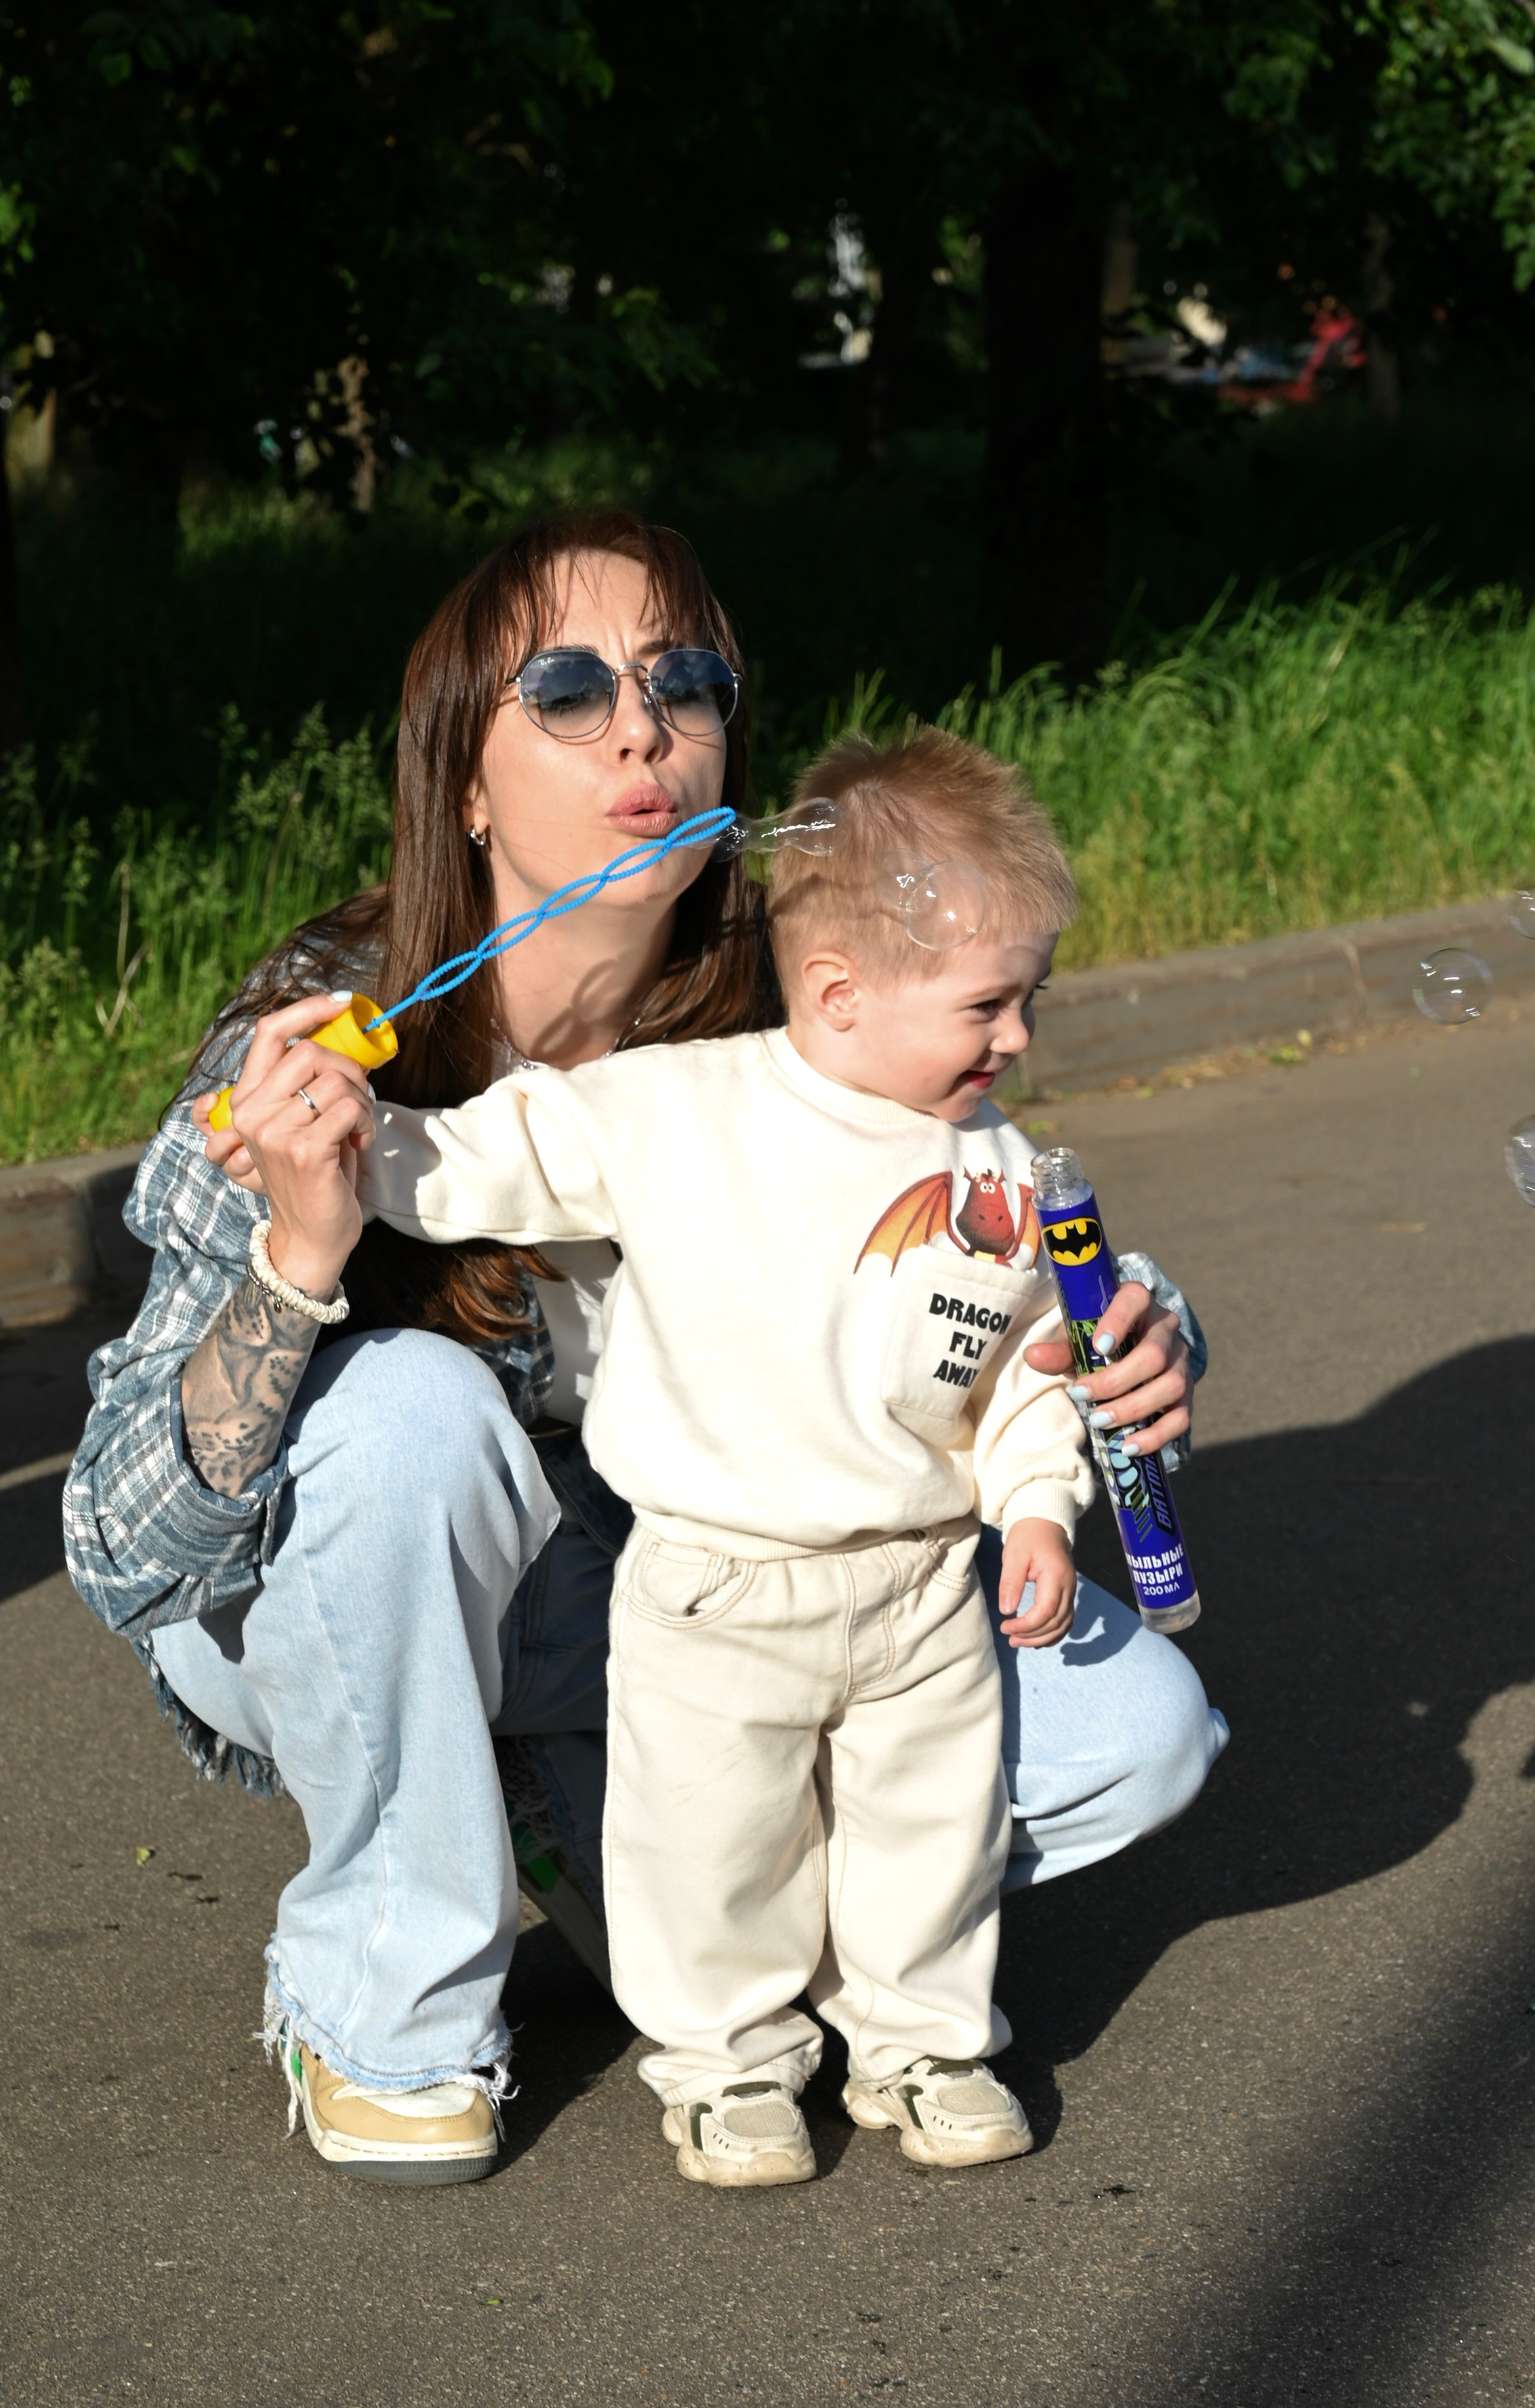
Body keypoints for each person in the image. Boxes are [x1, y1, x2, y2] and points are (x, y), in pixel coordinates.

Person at [62, 510, 1225, 2188]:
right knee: (408, 1416)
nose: (642, 728)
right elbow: (122, 1552)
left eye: (686, 683)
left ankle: (617, 1841)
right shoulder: (319, 1034)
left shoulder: (801, 1006)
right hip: (358, 1595)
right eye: (568, 688)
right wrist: (303, 1252)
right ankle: (385, 1997)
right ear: (463, 781)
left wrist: (1139, 1334)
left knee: (1136, 1734)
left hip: (691, 1616)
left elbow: (982, 1249)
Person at [356, 730, 1102, 2186]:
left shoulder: (1000, 1171)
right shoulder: (678, 1110)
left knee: (931, 1838)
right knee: (711, 1845)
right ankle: (730, 2066)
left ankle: (923, 2045)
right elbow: (480, 1162)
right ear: (838, 989)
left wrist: (1034, 1507)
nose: (1016, 1037)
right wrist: (352, 1136)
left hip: (919, 1585)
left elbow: (1024, 1368)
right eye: (986, 1004)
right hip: (716, 1584)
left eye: (1031, 998)